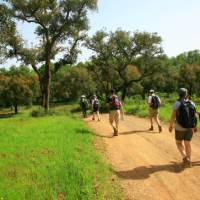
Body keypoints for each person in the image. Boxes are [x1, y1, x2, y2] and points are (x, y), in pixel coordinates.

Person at [169, 88, 197, 167]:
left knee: (178, 143)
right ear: (186, 94)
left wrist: (171, 126)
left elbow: (173, 116)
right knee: (187, 144)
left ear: (179, 94)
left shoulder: (177, 103)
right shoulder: (192, 102)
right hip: (190, 127)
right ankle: (189, 161)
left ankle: (185, 157)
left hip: (179, 127)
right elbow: (194, 116)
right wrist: (194, 126)